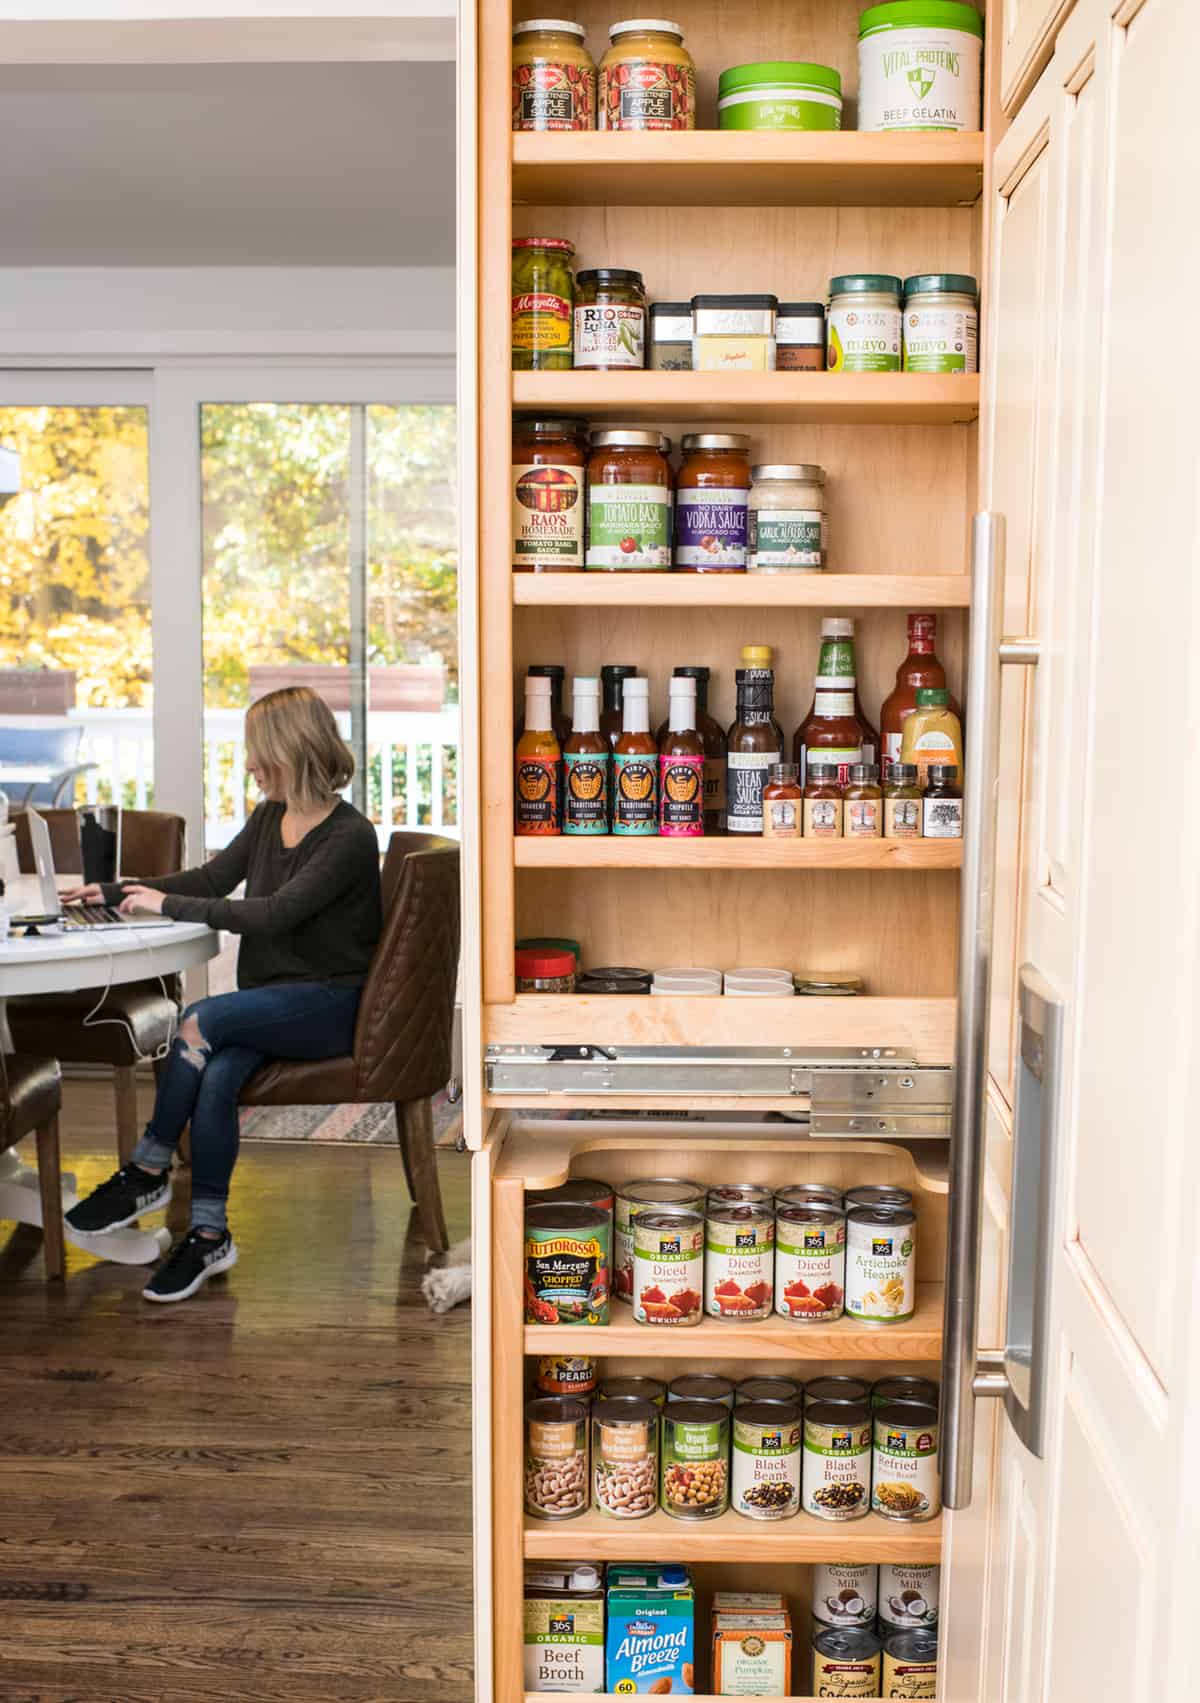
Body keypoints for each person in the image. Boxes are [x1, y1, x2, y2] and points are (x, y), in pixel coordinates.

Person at [65, 686, 383, 1303]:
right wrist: (122, 890)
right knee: (213, 1077)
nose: (251, 766)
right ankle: (209, 1232)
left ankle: (149, 1167)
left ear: (294, 750)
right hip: (269, 1004)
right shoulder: (272, 817)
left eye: (260, 753)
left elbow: (272, 914)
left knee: (196, 1022)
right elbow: (213, 878)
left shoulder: (348, 836)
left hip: (329, 1005)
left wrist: (165, 905)